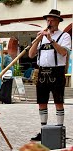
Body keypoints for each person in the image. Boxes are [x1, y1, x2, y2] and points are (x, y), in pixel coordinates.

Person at [28, 9, 71, 141]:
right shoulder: (42, 38)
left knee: (58, 101)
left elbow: (64, 52)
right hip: (42, 71)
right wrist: (37, 40)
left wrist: (50, 40)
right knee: (42, 102)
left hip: (57, 71)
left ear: (58, 21)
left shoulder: (64, 36)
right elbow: (30, 54)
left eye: (52, 20)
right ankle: (43, 130)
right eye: (47, 20)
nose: (49, 22)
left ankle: (59, 130)